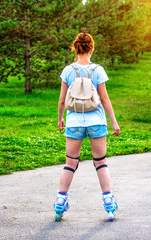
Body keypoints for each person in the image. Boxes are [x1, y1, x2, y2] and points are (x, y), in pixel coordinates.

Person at [53, 32, 120, 221]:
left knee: (70, 163)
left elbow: (61, 100)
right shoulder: (98, 70)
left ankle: (60, 201)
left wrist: (60, 119)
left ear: (75, 48)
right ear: (92, 48)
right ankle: (109, 203)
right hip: (96, 121)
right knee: (101, 163)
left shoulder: (68, 71)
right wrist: (113, 121)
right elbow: (105, 99)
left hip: (74, 121)